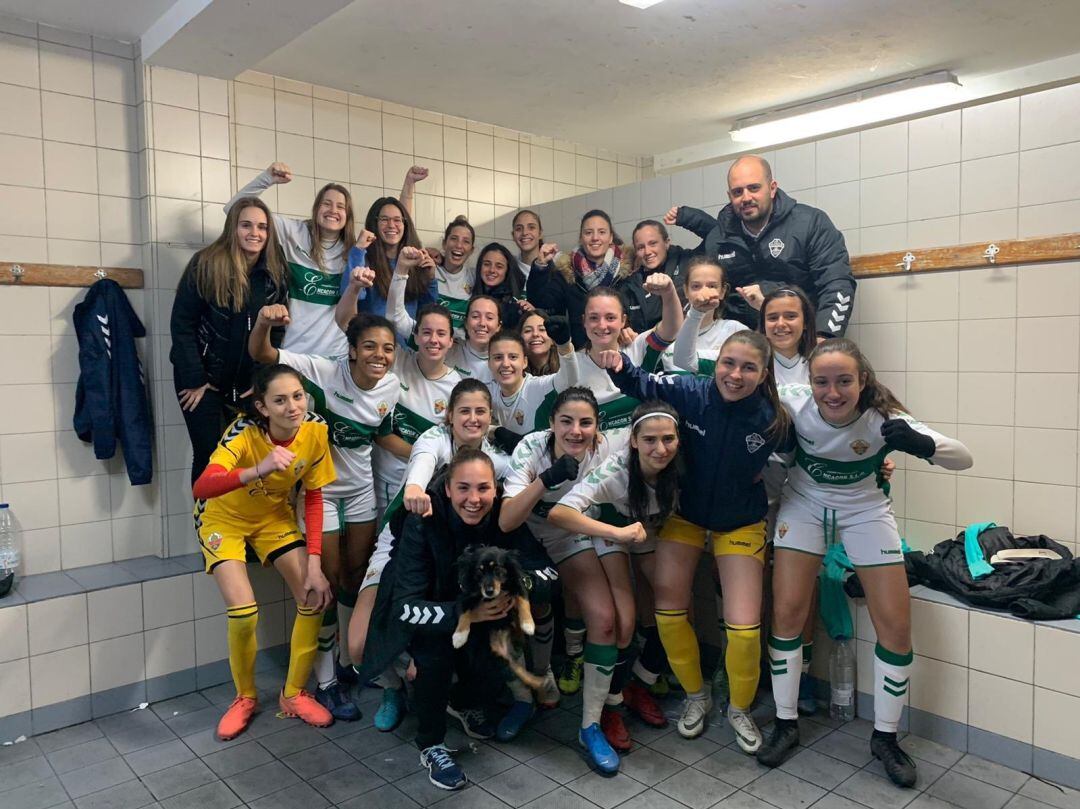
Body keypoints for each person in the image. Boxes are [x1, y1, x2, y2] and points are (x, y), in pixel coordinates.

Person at [759, 339, 973, 788]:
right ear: (809, 382)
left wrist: (922, 445)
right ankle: (785, 721)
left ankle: (886, 737)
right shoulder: (794, 402)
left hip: (866, 513)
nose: (832, 392)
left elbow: (963, 457)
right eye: (822, 381)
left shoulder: (884, 417)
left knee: (895, 626)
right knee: (787, 615)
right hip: (804, 507)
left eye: (843, 381)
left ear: (863, 381)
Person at [597, 331, 789, 752]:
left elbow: (811, 450)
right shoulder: (690, 391)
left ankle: (739, 709)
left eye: (748, 367)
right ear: (716, 363)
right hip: (685, 516)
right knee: (668, 613)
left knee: (742, 628)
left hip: (740, 522)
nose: (735, 375)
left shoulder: (774, 418)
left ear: (764, 373)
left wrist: (874, 466)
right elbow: (641, 384)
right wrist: (617, 364)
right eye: (728, 363)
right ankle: (696, 696)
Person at [357, 449, 553, 790]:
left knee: (498, 653)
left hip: (481, 616)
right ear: (447, 489)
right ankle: (430, 743)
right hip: (432, 616)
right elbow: (405, 606)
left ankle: (461, 703)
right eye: (463, 488)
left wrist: (520, 587)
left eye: (483, 488)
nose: (474, 499)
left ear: (496, 489)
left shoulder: (504, 519)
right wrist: (465, 614)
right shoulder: (423, 521)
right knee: (433, 659)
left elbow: (549, 573)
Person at [248, 307, 399, 721]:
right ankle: (327, 681)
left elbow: (383, 436)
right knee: (326, 585)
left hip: (363, 491)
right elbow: (263, 354)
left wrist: (445, 449)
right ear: (351, 350)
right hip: (321, 494)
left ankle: (350, 663)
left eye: (387, 348)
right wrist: (264, 322)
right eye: (369, 346)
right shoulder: (322, 371)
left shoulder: (392, 387)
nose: (379, 355)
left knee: (355, 579)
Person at [349, 379, 512, 732]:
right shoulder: (434, 440)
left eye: (480, 411)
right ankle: (393, 688)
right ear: (449, 416)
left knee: (453, 629)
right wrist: (414, 488)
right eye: (464, 411)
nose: (472, 418)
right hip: (401, 543)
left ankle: (447, 690)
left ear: (490, 416)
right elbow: (422, 463)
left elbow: (520, 480)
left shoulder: (495, 458)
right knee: (360, 646)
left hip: (451, 555)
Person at [191, 364, 336, 740]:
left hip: (273, 517)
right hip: (223, 518)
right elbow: (202, 487)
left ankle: (293, 694)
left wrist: (315, 564)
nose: (293, 407)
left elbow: (315, 496)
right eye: (280, 400)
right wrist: (259, 468)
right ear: (262, 406)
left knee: (313, 594)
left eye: (298, 396)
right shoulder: (243, 432)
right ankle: (245, 698)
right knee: (243, 613)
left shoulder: (316, 430)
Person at [500, 387, 633, 774]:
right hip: (525, 536)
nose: (576, 431)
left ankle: (590, 726)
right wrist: (546, 478)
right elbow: (508, 519)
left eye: (585, 422)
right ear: (552, 423)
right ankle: (524, 696)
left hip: (570, 534)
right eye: (566, 421)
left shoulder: (604, 449)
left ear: (597, 426)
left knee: (606, 620)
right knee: (516, 608)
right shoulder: (532, 447)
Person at [547, 400, 682, 737]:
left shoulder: (684, 464)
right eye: (649, 440)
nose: (660, 448)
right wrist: (617, 533)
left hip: (648, 529)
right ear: (633, 441)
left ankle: (640, 683)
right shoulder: (617, 469)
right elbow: (560, 513)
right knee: (624, 619)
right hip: (611, 529)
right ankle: (611, 705)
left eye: (668, 439)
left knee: (676, 607)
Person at [665, 155, 856, 338]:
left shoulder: (811, 223)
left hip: (800, 339)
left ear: (772, 188)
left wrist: (824, 337)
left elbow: (836, 283)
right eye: (737, 192)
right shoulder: (718, 238)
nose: (746, 197)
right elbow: (693, 286)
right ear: (729, 195)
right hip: (739, 346)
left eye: (754, 188)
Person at [170, 197, 287, 484]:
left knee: (251, 456)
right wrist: (196, 378)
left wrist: (261, 379)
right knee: (211, 457)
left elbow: (278, 332)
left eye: (262, 227)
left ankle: (240, 526)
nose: (255, 233)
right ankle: (207, 527)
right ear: (232, 228)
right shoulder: (207, 263)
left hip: (249, 383)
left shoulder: (275, 271)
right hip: (201, 381)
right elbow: (182, 324)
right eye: (246, 225)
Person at [226, 163, 357, 359]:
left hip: (334, 357)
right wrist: (266, 178)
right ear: (316, 208)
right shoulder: (294, 232)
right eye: (326, 203)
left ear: (348, 215)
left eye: (340, 206)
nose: (333, 210)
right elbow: (233, 210)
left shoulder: (354, 251)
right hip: (292, 351)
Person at [525, 210, 661, 346]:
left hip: (623, 352)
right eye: (588, 233)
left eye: (602, 232)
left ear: (611, 237)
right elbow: (541, 304)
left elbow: (645, 312)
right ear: (581, 238)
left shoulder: (630, 269)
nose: (595, 238)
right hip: (582, 354)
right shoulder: (567, 272)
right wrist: (540, 267)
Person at [386, 246, 500, 382]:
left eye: (489, 317)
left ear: (499, 326)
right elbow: (396, 317)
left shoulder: (504, 361)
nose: (482, 323)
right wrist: (401, 269)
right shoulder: (444, 345)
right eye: (475, 316)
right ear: (466, 322)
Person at [353, 192, 439, 321]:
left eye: (397, 220)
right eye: (384, 219)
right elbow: (352, 297)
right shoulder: (365, 259)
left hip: (406, 340)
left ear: (405, 224)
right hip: (374, 339)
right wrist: (357, 251)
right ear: (374, 223)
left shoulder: (416, 260)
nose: (391, 225)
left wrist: (431, 278)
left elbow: (427, 313)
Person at [487, 328, 577, 442]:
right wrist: (494, 430)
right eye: (498, 357)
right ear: (489, 363)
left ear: (524, 362)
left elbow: (570, 379)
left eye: (513, 357)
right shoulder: (486, 392)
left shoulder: (537, 387)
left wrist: (564, 346)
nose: (505, 364)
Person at [669, 255, 749, 375]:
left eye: (712, 286)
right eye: (696, 286)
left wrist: (761, 305)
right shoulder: (667, 333)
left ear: (722, 291)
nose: (704, 292)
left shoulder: (735, 331)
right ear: (686, 291)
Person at [631, 219, 698, 309]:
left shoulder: (689, 261)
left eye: (653, 243)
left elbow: (713, 236)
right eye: (640, 247)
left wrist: (684, 216)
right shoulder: (632, 284)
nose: (647, 252)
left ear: (666, 243)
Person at [471, 242, 531, 331]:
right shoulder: (470, 291)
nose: (492, 270)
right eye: (487, 264)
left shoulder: (516, 303)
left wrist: (532, 314)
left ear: (507, 270)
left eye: (499, 266)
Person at [432, 215, 476, 334]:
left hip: (460, 349)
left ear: (471, 250)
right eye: (454, 238)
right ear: (444, 243)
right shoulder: (429, 271)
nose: (459, 245)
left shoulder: (475, 277)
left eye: (466, 241)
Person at [518, 309, 565, 376]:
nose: (535, 334)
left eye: (542, 329)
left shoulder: (566, 367)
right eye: (528, 330)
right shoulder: (515, 373)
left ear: (552, 339)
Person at [511, 209, 543, 280]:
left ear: (540, 234)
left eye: (531, 227)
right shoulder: (509, 269)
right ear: (513, 235)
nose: (524, 233)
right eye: (519, 229)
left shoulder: (557, 266)